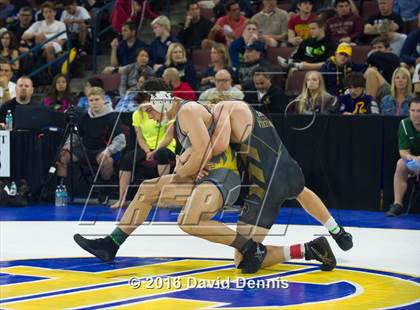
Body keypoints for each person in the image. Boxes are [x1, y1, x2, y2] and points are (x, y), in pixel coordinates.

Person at [74, 78, 339, 274]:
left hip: (222, 178)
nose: (149, 116)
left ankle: (250, 247)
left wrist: (181, 166)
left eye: (149, 109)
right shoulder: (178, 119)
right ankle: (111, 244)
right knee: (147, 189)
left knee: (189, 221)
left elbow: (201, 155)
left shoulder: (188, 111)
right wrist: (181, 162)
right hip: (207, 179)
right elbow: (192, 157)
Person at [201, 99, 353, 269]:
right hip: (289, 169)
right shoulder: (253, 112)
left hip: (267, 185)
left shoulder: (220, 109)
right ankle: (338, 232)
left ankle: (309, 249)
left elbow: (220, 145)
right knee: (301, 191)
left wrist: (198, 161)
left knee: (243, 259)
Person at [110, 104, 176, 209]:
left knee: (161, 154)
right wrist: (147, 151)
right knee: (127, 159)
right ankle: (121, 199)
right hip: (146, 148)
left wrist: (155, 151)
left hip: (166, 147)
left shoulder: (166, 112)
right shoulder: (137, 114)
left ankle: (163, 198)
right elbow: (140, 137)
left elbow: (168, 137)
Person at [56, 87, 126, 182]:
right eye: (91, 100)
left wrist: (108, 151)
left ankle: (104, 190)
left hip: (103, 150)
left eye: (97, 99)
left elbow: (121, 140)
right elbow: (76, 135)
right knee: (62, 156)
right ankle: (61, 187)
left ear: (103, 100)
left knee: (105, 160)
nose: (94, 103)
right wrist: (68, 145)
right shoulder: (84, 116)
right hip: (85, 149)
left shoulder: (113, 117)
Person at [387, 97, 420, 216]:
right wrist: (410, 158)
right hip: (416, 163)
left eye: (419, 111)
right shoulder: (404, 124)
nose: (415, 114)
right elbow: (403, 151)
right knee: (401, 164)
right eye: (413, 110)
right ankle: (398, 204)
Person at [364, 36, 400, 102]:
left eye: (379, 47)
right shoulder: (373, 60)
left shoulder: (393, 58)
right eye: (374, 48)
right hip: (375, 90)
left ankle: (370, 104)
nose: (376, 50)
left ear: (387, 49)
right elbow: (364, 75)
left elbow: (375, 55)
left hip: (391, 90)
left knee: (371, 71)